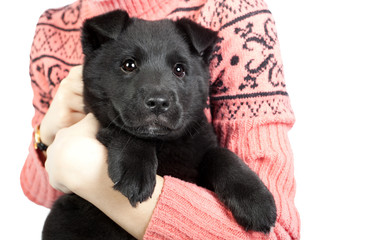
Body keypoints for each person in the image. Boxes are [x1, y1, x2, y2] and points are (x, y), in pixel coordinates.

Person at [21, 0, 300, 239]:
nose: (157, 97)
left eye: (179, 69)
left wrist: (94, 179)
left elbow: (275, 233)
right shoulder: (53, 27)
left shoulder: (230, 10)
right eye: (129, 65)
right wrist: (45, 135)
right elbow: (42, 192)